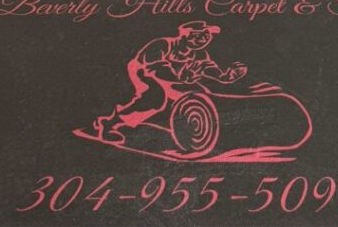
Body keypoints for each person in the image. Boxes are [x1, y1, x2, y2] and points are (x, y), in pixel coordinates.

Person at [93, 21, 248, 144]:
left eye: (207, 35)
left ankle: (199, 130)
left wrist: (225, 76)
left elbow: (208, 68)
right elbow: (156, 70)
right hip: (142, 70)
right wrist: (182, 79)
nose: (204, 39)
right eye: (199, 35)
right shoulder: (162, 45)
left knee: (200, 94)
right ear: (185, 35)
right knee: (156, 97)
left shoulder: (200, 53)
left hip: (174, 76)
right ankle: (109, 125)